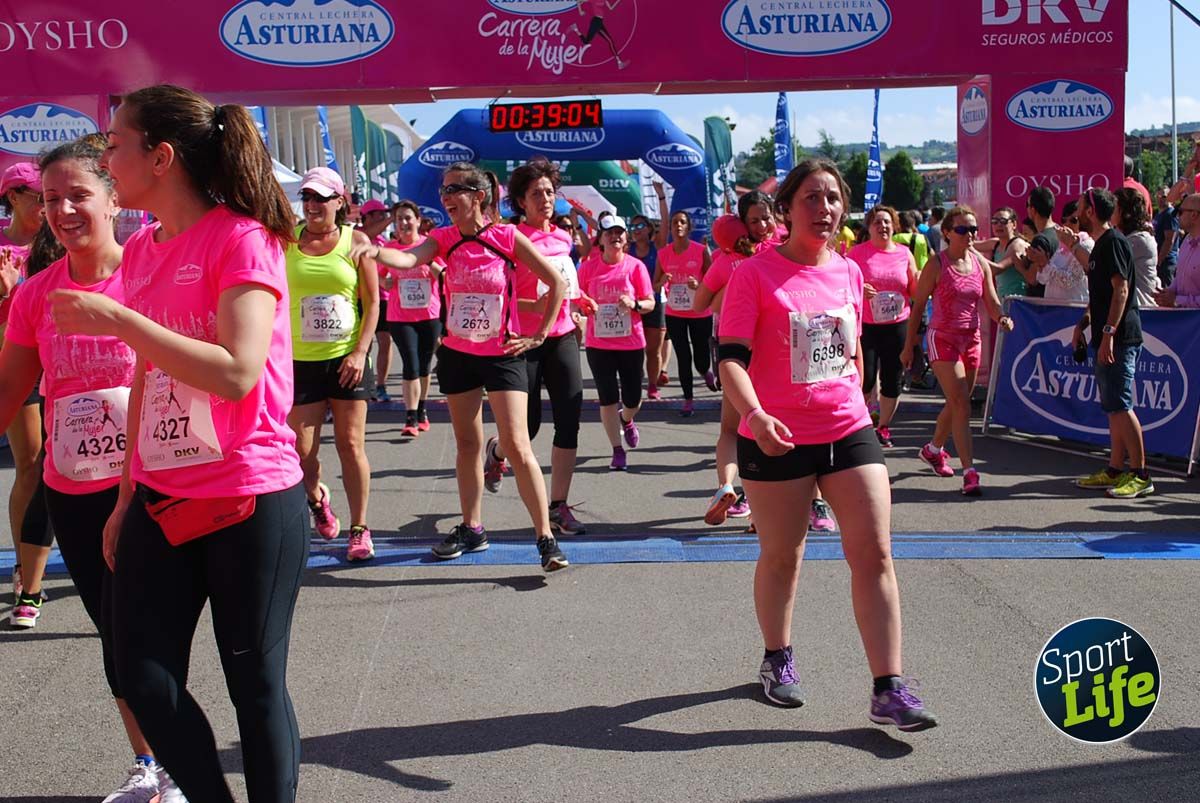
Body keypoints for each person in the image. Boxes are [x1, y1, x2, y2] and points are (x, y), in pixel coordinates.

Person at [52, 84, 309, 802]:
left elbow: (236, 372)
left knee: (254, 685)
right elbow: (150, 374)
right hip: (161, 493)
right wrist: (126, 494)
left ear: (160, 157)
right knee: (139, 673)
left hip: (248, 495)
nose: (106, 159)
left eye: (114, 146)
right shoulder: (142, 247)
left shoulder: (241, 238)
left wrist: (118, 320)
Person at [718, 158, 937, 730]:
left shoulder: (847, 271)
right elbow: (731, 360)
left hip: (847, 427)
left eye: (833, 198)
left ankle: (889, 688)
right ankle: (777, 657)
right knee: (783, 556)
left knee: (875, 553)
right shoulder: (754, 274)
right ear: (786, 209)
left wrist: (859, 396)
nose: (825, 208)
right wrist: (756, 415)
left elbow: (851, 347)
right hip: (777, 436)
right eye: (811, 198)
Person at [1, 136, 186, 802]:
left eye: (78, 194)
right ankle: (152, 766)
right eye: (51, 199)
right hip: (73, 490)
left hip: (154, 482)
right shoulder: (36, 293)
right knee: (116, 634)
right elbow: (8, 390)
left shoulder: (151, 274)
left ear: (113, 199)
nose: (63, 210)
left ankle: (179, 763)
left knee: (151, 632)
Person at [359, 161, 570, 571]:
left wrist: (539, 335)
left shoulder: (506, 236)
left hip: (502, 354)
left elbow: (557, 284)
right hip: (459, 355)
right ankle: (473, 528)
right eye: (443, 190)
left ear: (478, 196)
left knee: (517, 445)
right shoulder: (443, 238)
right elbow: (407, 259)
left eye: (453, 189)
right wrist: (375, 250)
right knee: (468, 445)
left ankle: (545, 538)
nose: (445, 198)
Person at [483, 159, 587, 535]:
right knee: (526, 427)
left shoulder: (562, 238)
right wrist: (536, 306)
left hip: (561, 336)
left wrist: (580, 300)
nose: (545, 198)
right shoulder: (511, 239)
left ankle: (558, 506)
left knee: (569, 420)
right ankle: (496, 451)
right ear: (521, 202)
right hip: (523, 340)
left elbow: (564, 285)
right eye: (536, 193)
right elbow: (503, 296)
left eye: (549, 192)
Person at [285, 167, 379, 562]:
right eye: (307, 197)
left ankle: (359, 527)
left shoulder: (356, 241)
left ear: (339, 202)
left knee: (350, 444)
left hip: (346, 358)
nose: (312, 205)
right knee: (301, 451)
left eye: (321, 198)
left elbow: (372, 303)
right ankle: (317, 499)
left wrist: (360, 352)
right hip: (300, 360)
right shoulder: (287, 239)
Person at [903, 206, 1013, 496]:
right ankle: (970, 472)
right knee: (962, 403)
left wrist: (1002, 317)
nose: (970, 234)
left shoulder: (980, 263)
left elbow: (991, 300)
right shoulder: (937, 264)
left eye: (973, 229)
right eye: (963, 229)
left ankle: (932, 450)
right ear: (948, 233)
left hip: (971, 339)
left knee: (956, 403)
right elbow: (918, 306)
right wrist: (909, 346)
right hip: (943, 338)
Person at [1068, 187, 1153, 498]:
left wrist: (1108, 334)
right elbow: (1100, 293)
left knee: (1121, 404)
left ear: (1091, 212)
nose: (1076, 213)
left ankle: (1140, 474)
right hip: (1108, 336)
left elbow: (1121, 290)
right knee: (1113, 407)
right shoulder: (1103, 245)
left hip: (1120, 338)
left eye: (1080, 207)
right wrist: (1082, 325)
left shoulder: (1114, 242)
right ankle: (1115, 469)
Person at [0, 161, 45, 605]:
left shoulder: (59, 240)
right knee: (30, 464)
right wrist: (5, 291)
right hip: (18, 366)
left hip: (67, 362)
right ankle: (23, 567)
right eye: (38, 196)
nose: (48, 205)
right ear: (13, 197)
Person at [576, 216, 653, 470]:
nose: (614, 237)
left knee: (633, 399)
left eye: (619, 232)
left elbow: (650, 302)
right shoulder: (588, 268)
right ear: (600, 239)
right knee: (607, 397)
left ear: (625, 238)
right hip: (599, 345)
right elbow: (576, 297)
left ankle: (627, 419)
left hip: (631, 343)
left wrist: (634, 304)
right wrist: (584, 305)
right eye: (609, 232)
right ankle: (617, 450)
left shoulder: (635, 267)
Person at [694, 213, 755, 525]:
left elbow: (699, 305)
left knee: (731, 429)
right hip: (768, 346)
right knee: (763, 424)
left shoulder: (723, 263)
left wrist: (725, 292)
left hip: (731, 347)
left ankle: (727, 485)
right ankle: (759, 506)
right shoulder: (770, 255)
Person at [848, 206, 919, 450]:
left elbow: (914, 289)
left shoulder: (904, 253)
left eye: (887, 222)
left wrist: (921, 281)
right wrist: (859, 289)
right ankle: (862, 422)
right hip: (866, 326)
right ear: (869, 227)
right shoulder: (857, 254)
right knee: (865, 378)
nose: (883, 226)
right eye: (877, 222)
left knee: (892, 378)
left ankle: (883, 426)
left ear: (894, 226)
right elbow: (843, 285)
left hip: (897, 325)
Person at [386, 200, 443, 435]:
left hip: (429, 314)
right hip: (400, 316)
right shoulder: (390, 248)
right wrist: (385, 282)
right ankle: (410, 418)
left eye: (408, 217)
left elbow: (443, 275)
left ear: (418, 221)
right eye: (399, 219)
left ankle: (422, 410)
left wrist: (428, 261)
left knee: (424, 365)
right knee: (410, 364)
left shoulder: (429, 246)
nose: (404, 222)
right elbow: (379, 277)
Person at [656, 210, 714, 416]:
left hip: (700, 312)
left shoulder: (700, 251)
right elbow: (655, 285)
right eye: (674, 223)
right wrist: (662, 282)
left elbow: (713, 280)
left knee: (701, 358)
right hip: (675, 314)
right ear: (671, 228)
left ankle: (705, 372)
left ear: (689, 227)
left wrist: (699, 285)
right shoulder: (664, 253)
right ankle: (688, 400)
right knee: (683, 357)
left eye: (682, 222)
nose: (678, 225)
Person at [629, 182, 670, 398]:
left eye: (640, 226)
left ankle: (652, 385)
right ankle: (634, 383)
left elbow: (665, 224)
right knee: (633, 349)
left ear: (648, 229)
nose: (636, 230)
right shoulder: (627, 249)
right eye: (632, 227)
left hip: (655, 302)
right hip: (633, 304)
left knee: (653, 350)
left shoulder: (658, 246)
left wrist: (661, 196)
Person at [358, 199, 394, 401]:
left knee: (385, 342)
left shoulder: (382, 241)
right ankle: (365, 382)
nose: (384, 217)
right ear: (368, 217)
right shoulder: (358, 236)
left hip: (383, 299)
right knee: (364, 344)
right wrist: (392, 218)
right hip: (361, 298)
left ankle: (381, 385)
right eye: (380, 214)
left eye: (385, 214)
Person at [1033, 199, 1090, 302]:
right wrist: (1040, 263)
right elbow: (1042, 279)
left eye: (1073, 220)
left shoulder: (1085, 245)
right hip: (1053, 306)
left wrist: (1046, 265)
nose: (1067, 224)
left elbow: (1069, 281)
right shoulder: (1061, 245)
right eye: (1064, 220)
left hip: (1073, 307)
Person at [1112, 187, 1161, 308]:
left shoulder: (1139, 240)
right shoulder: (1125, 236)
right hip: (1129, 305)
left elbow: (1105, 263)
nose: (1109, 211)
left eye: (1114, 207)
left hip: (1142, 307)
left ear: (1126, 213)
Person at [1154, 193, 1200, 308]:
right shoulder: (1187, 241)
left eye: (1180, 212)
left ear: (1194, 215)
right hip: (1182, 317)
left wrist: (1177, 300)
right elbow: (1180, 277)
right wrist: (1168, 292)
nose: (1177, 216)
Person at [568, 0, 628, 69]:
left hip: (599, 22)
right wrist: (580, 11)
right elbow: (579, 1)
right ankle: (619, 63)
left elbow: (611, 8)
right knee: (609, 41)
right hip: (596, 21)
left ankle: (575, 28)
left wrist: (617, 1)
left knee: (588, 41)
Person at [1153, 186, 1180, 286]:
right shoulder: (1159, 214)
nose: (1160, 199)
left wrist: (1159, 261)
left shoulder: (1170, 214)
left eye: (1164, 196)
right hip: (1159, 260)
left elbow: (1169, 240)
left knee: (1166, 290)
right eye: (1158, 196)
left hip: (1166, 262)